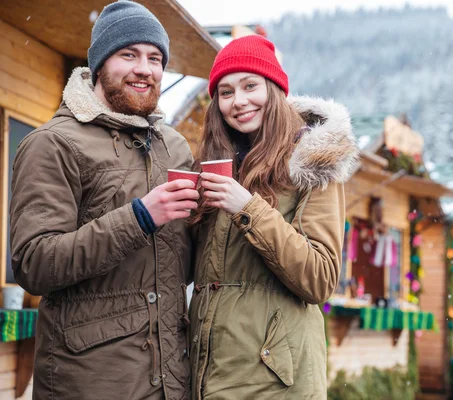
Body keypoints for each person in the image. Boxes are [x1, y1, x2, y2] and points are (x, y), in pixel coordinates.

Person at [9, 1, 199, 399]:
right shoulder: (53, 144)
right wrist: (140, 217)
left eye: (154, 58)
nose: (144, 68)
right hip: (91, 382)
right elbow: (34, 263)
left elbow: (184, 262)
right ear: (99, 65)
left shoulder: (176, 149)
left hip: (172, 380)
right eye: (128, 54)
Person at [188, 35, 359, 399]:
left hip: (276, 381)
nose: (240, 101)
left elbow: (319, 278)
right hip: (208, 373)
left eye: (251, 86)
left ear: (275, 90)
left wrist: (247, 209)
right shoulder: (215, 163)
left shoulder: (311, 162)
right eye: (226, 91)